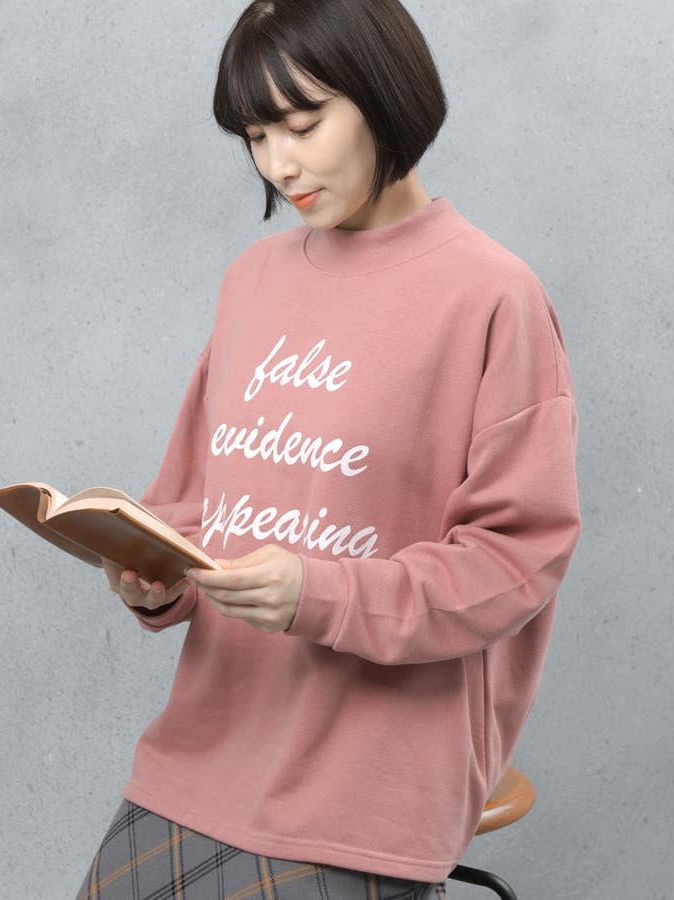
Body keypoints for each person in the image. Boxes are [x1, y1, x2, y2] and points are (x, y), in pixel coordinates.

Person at [77, 0, 581, 897]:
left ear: (385, 94)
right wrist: (156, 575)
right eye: (256, 137)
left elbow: (517, 559)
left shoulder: (492, 296)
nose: (280, 164)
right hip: (208, 744)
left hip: (369, 781)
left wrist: (320, 593)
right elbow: (195, 500)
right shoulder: (252, 281)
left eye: (304, 125)